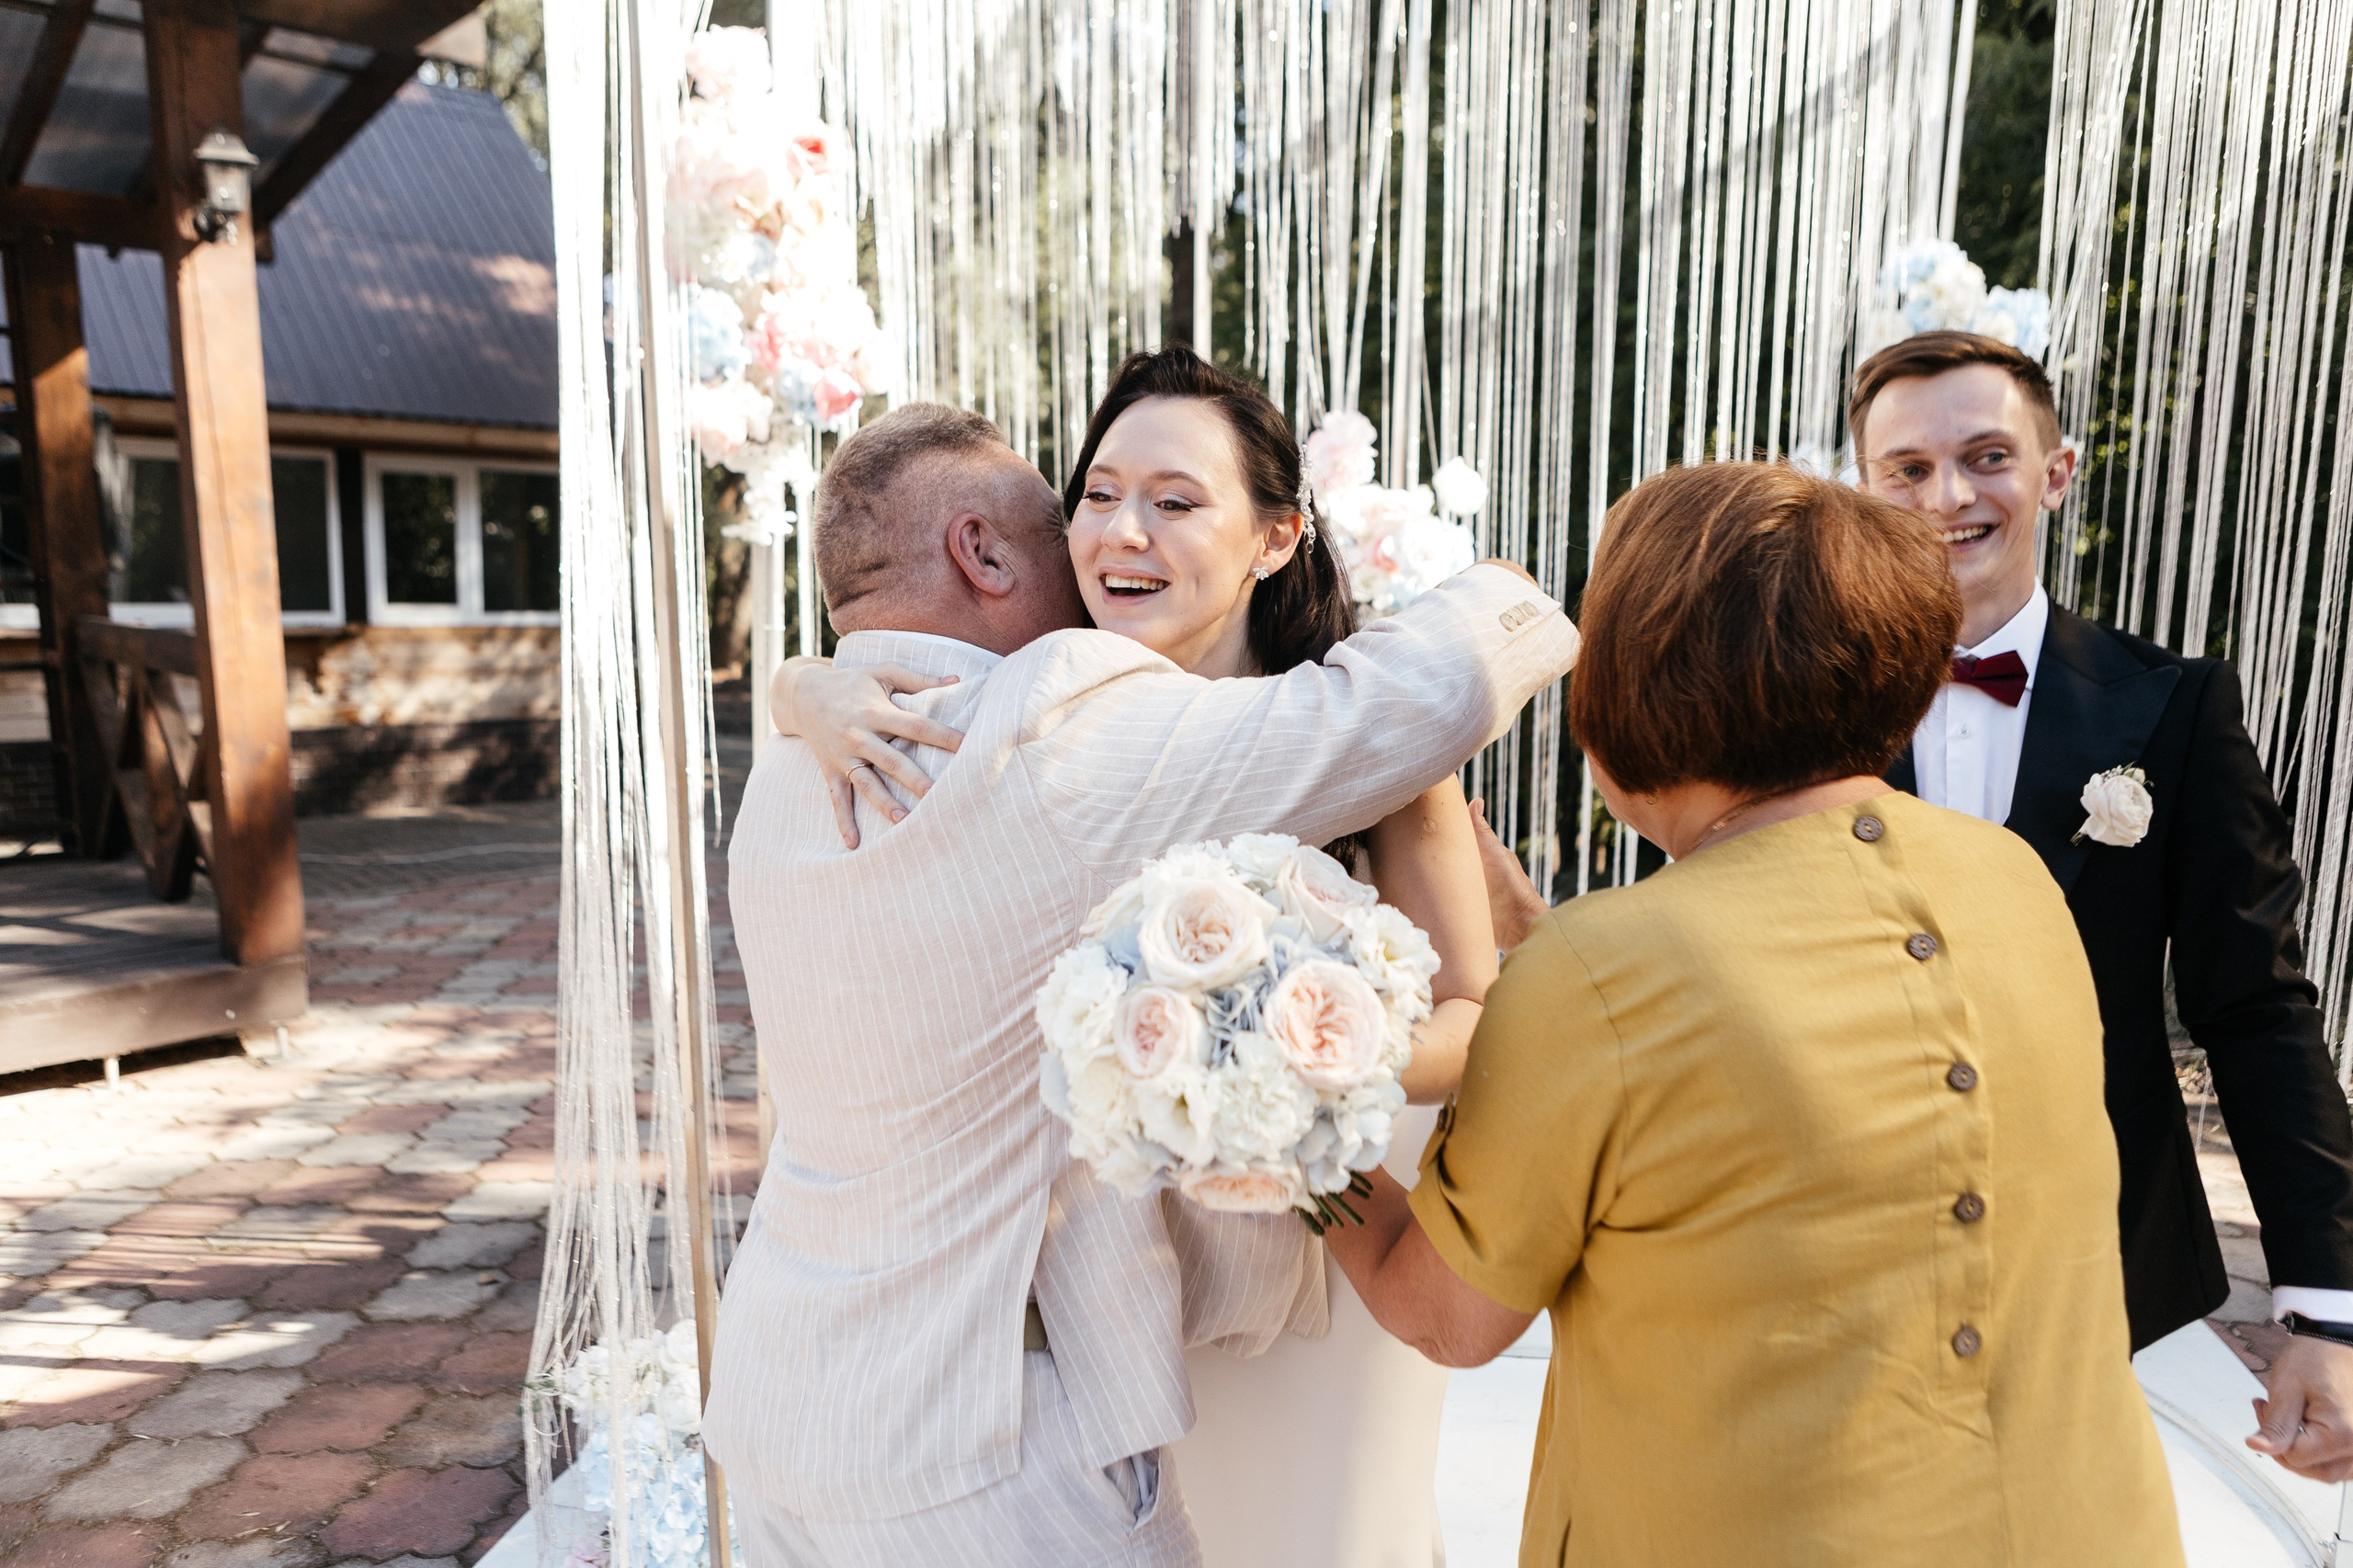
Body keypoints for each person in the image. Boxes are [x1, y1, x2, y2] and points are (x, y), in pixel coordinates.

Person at [705, 380, 1577, 1566]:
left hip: (797, 1399)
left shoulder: (788, 770)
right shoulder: (1054, 718)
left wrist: (1275, 1064)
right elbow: (1436, 674)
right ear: (983, 549)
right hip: (995, 1419)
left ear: (1275, 536)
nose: (1114, 539)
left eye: (1173, 500)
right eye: (1089, 501)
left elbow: (1474, 1001)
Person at [1328, 461, 2184, 1568]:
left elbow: (1444, 1312)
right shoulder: (2012, 875)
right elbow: (1754, 1035)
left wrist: (1280, 1135)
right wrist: (1531, 924)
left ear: (1634, 682)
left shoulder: (1605, 973)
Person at [1848, 330, 2353, 1481]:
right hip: (1850, 1262)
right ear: (1866, 491)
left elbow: (2257, 1009)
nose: (1950, 496)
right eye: (1908, 470)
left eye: (1986, 456)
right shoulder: (1791, 708)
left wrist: (2325, 1310)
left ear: (2055, 472)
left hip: (2112, 1267)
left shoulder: (2173, 706)